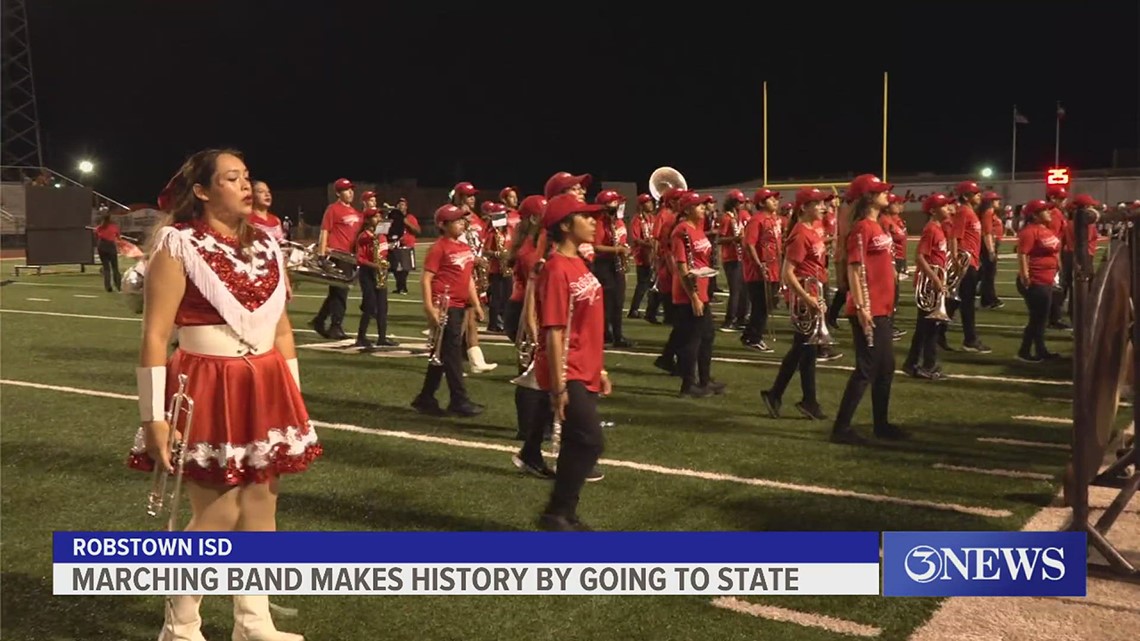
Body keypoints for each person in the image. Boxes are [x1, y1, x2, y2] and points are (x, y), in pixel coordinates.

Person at [128, 149, 317, 641]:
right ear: (203, 191)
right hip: (207, 382)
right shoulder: (177, 244)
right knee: (216, 514)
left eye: (248, 177)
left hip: (266, 382)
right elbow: (154, 336)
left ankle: (253, 623)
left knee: (260, 510)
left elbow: (281, 331)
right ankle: (182, 624)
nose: (247, 186)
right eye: (233, 178)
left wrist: (291, 400)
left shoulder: (268, 246)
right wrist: (154, 418)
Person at [532, 194, 612, 531]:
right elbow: (553, 330)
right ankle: (556, 511)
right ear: (565, 225)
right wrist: (559, 384)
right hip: (568, 370)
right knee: (591, 439)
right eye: (586, 216)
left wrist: (602, 367)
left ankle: (564, 514)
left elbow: (585, 322)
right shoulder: (554, 268)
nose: (594, 222)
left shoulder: (579, 261)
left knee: (576, 442)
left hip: (587, 366)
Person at [831, 174, 906, 444]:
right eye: (881, 191)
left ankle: (881, 424)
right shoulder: (862, 228)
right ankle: (841, 428)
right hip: (869, 309)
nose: (887, 194)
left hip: (883, 307)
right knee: (866, 369)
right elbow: (854, 268)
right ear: (869, 197)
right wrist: (862, 306)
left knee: (886, 367)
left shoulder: (877, 225)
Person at [761, 187, 829, 419]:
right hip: (804, 299)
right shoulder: (801, 233)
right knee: (804, 349)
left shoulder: (814, 229)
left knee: (804, 351)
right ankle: (800, 399)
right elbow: (787, 273)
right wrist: (807, 297)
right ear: (804, 207)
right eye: (818, 203)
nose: (823, 207)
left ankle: (782, 396)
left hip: (812, 295)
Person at [411, 204, 485, 417]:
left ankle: (425, 398)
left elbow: (468, 278)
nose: (462, 223)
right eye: (456, 220)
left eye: (462, 219)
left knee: (442, 353)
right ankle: (458, 400)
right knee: (452, 354)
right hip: (445, 306)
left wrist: (476, 304)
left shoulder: (464, 248)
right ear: (443, 225)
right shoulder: (439, 247)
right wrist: (429, 307)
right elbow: (426, 279)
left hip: (460, 306)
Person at [671, 191, 725, 398]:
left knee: (707, 336)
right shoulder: (682, 230)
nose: (704, 208)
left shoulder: (698, 228)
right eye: (699, 205)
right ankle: (688, 385)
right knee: (692, 340)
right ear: (687, 209)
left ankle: (704, 380)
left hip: (701, 289)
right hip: (688, 294)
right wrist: (693, 296)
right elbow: (682, 268)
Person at [902, 193, 951, 379]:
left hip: (935, 282)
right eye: (944, 206)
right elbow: (920, 257)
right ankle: (920, 365)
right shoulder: (931, 229)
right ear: (933, 210)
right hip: (929, 285)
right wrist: (937, 280)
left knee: (929, 327)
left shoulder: (939, 228)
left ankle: (921, 363)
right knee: (927, 328)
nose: (948, 209)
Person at [310, 178, 361, 339]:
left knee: (336, 292)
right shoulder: (333, 209)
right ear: (338, 193)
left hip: (351, 257)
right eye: (346, 190)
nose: (351, 192)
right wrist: (322, 253)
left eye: (351, 189)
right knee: (341, 292)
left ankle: (319, 320)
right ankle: (335, 326)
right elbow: (325, 231)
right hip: (338, 255)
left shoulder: (355, 212)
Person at [1016, 199, 1063, 362]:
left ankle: (1036, 350)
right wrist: (1025, 276)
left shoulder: (1046, 230)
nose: (1049, 212)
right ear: (1035, 215)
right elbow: (1022, 254)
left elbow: (1054, 252)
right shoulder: (1030, 231)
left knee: (1040, 318)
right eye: (1044, 210)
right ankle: (1028, 351)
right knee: (1038, 318)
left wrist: (1059, 268)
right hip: (1036, 280)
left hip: (1046, 279)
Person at [353, 209, 398, 349]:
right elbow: (359, 258)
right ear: (367, 220)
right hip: (368, 273)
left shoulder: (381, 235)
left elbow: (383, 252)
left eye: (379, 215)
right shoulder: (363, 236)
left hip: (380, 272)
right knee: (369, 305)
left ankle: (382, 337)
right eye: (375, 216)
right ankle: (361, 337)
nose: (379, 217)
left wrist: (387, 260)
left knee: (383, 307)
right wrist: (374, 265)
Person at [92, 210, 123, 292]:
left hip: (101, 246)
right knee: (115, 267)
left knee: (106, 268)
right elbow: (118, 238)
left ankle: (108, 287)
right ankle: (118, 285)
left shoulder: (99, 227)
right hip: (110, 246)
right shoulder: (114, 227)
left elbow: (96, 236)